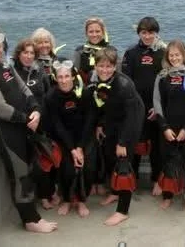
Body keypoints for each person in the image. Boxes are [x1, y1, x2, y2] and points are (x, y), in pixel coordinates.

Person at [0, 24, 57, 234]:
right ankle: (30, 221)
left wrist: (36, 109)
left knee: (29, 171)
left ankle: (33, 216)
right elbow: (1, 109)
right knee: (21, 176)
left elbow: (23, 89)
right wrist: (28, 118)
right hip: (7, 134)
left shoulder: (5, 67)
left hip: (24, 129)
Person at [82, 47, 144, 226]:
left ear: (115, 66)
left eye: (109, 66)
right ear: (95, 66)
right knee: (110, 157)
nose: (105, 70)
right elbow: (101, 105)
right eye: (101, 66)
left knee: (123, 165)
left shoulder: (124, 85)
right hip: (112, 121)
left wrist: (123, 142)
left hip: (130, 124)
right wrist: (100, 124)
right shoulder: (96, 80)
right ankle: (115, 193)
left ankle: (122, 211)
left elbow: (132, 116)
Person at [153, 40, 185, 214]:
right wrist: (165, 127)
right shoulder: (161, 76)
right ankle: (168, 196)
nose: (174, 58)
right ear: (167, 57)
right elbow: (157, 102)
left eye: (178, 54)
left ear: (184, 55)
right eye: (171, 55)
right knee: (167, 163)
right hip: (167, 128)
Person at [121, 16, 167, 196]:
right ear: (139, 33)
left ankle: (157, 180)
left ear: (157, 33)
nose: (147, 36)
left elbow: (166, 82)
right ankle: (132, 181)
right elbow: (126, 83)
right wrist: (135, 109)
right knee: (135, 147)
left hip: (157, 108)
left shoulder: (163, 52)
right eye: (144, 33)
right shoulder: (131, 53)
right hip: (136, 108)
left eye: (151, 33)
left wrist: (158, 107)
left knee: (157, 147)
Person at [10, 38, 58, 209]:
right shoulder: (12, 72)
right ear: (18, 54)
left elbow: (47, 94)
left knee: (46, 161)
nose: (29, 56)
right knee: (30, 164)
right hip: (22, 123)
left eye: (32, 53)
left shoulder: (39, 72)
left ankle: (47, 195)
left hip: (42, 122)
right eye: (25, 53)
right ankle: (34, 196)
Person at [45, 60, 91, 218]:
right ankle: (66, 199)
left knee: (86, 167)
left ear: (73, 77)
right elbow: (57, 125)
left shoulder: (83, 93)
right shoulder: (52, 96)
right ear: (55, 78)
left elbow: (89, 121)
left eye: (67, 76)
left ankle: (81, 201)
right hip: (63, 137)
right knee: (67, 169)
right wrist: (72, 149)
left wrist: (80, 147)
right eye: (60, 77)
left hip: (83, 136)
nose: (63, 80)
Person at [73, 17, 113, 83]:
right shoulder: (79, 51)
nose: (94, 35)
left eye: (97, 31)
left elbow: (117, 76)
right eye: (91, 32)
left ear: (103, 32)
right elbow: (73, 74)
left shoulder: (111, 51)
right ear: (86, 33)